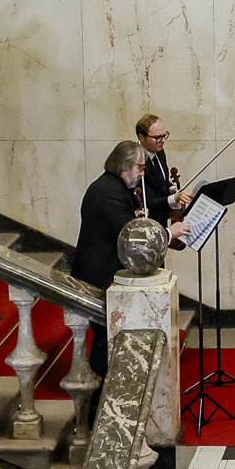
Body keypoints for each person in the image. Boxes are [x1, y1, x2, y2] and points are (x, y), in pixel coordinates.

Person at [72, 140, 185, 379]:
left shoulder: (114, 187)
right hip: (99, 275)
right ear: (125, 166)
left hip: (106, 270)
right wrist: (168, 233)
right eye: (141, 168)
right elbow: (132, 238)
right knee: (104, 339)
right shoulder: (109, 192)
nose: (143, 173)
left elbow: (121, 222)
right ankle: (99, 399)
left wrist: (134, 215)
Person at [135, 113, 195, 219]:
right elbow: (147, 202)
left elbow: (162, 181)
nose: (162, 140)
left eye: (164, 135)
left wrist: (174, 190)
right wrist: (174, 198)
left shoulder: (160, 152)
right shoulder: (135, 160)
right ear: (141, 137)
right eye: (157, 137)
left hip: (162, 218)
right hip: (147, 221)